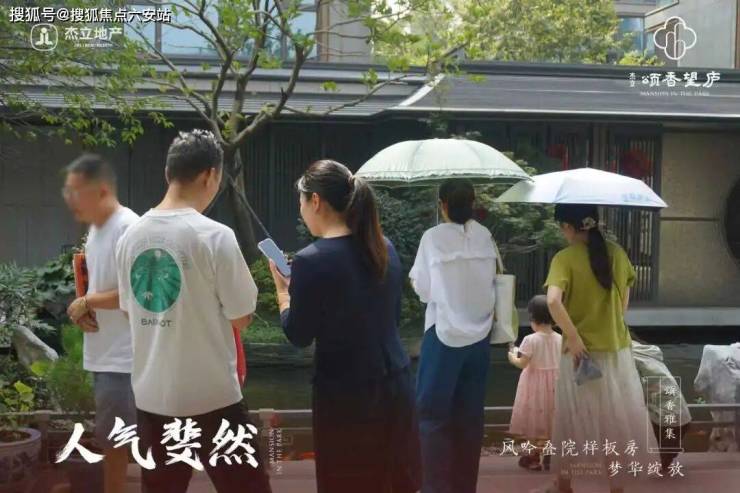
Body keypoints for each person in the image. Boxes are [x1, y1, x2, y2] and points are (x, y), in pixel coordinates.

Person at [115, 130, 271, 493]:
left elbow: (128, 311)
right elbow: (242, 316)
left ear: (168, 173)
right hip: (214, 398)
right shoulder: (214, 236)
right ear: (210, 175)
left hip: (153, 399)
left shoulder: (129, 238)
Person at [268, 159, 421, 493]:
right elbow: (392, 316)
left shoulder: (311, 259)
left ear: (316, 201)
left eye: (301, 202)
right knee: (394, 482)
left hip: (347, 398)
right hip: (395, 385)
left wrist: (283, 293)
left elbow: (298, 334)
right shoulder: (384, 247)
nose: (301, 211)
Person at [540, 204, 658, 493]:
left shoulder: (564, 258)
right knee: (615, 418)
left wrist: (574, 337)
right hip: (617, 351)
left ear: (568, 227)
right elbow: (623, 304)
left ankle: (563, 485)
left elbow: (553, 301)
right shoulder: (617, 253)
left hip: (579, 356)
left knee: (572, 417)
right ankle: (616, 486)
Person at [409, 179, 495, 493]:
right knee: (470, 418)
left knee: (432, 416)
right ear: (472, 204)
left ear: (443, 204)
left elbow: (423, 289)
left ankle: (435, 487)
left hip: (444, 334)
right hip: (480, 336)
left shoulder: (433, 238)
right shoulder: (485, 235)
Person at [63, 154, 139, 493]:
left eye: (76, 192)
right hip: (105, 351)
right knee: (113, 440)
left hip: (125, 357)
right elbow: (99, 287)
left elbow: (138, 294)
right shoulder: (96, 231)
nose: (70, 200)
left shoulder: (129, 227)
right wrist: (85, 308)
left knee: (118, 441)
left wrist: (88, 302)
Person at [508, 295, 562, 472]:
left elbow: (522, 363)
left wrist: (512, 356)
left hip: (534, 386)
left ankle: (534, 457)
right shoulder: (560, 339)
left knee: (534, 421)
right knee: (550, 419)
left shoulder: (530, 339)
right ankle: (549, 455)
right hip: (554, 386)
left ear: (532, 318)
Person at [630, 331, 692, 471]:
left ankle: (663, 456)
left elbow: (634, 393)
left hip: (661, 422)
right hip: (682, 416)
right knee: (662, 460)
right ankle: (666, 454)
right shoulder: (648, 352)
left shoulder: (628, 356)